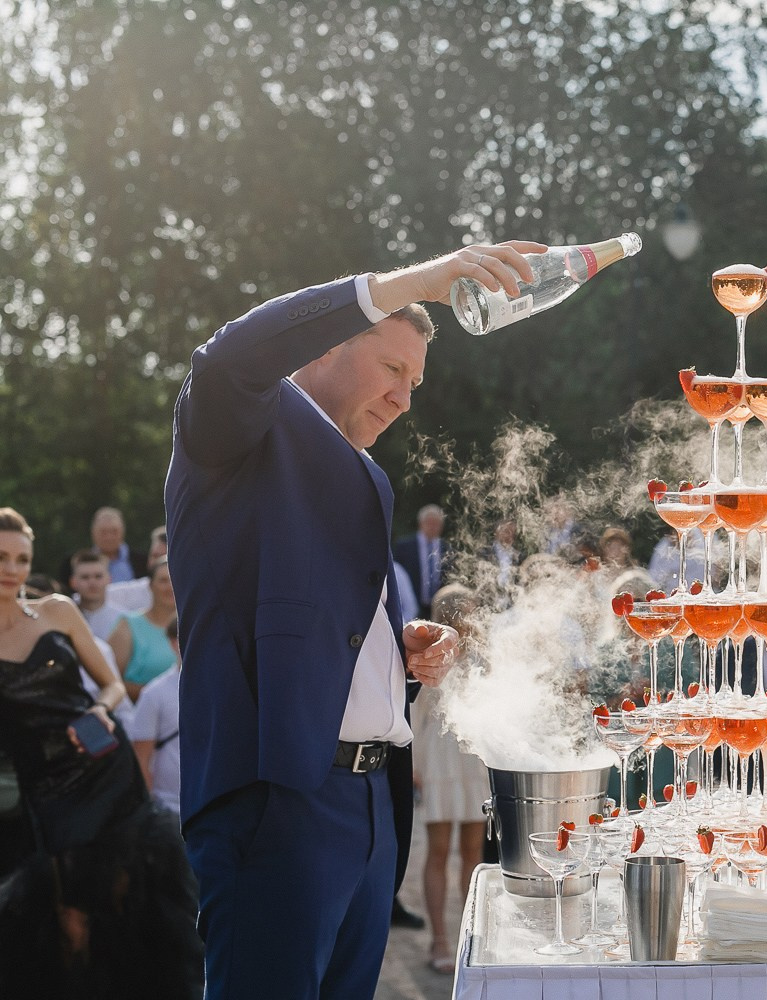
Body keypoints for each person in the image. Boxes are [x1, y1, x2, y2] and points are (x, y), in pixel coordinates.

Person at [165, 239, 540, 999]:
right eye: (394, 369)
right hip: (279, 803)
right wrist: (416, 281)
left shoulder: (364, 472)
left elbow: (311, 626)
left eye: (417, 382)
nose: (407, 398)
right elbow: (229, 357)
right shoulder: (236, 430)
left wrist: (396, 655)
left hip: (370, 811)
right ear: (324, 345)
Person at [0, 507, 202, 998]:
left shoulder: (57, 610)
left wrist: (99, 710)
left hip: (102, 766)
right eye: (2, 557)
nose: (13, 569)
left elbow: (111, 684)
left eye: (23, 558)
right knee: (67, 916)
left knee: (125, 894)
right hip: (43, 787)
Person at [413, 584, 490, 975]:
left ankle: (467, 938)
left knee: (473, 856)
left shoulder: (483, 660)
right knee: (441, 851)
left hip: (473, 760)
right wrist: (416, 766)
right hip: (440, 758)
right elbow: (416, 713)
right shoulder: (429, 654)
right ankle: (439, 940)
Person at [106, 557, 178, 702]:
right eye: (163, 581)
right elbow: (109, 680)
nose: (170, 586)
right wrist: (156, 695)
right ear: (150, 586)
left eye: (174, 579)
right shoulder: (128, 625)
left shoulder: (194, 625)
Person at [132, 617, 183, 816]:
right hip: (168, 808)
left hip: (217, 804)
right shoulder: (153, 693)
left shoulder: (225, 688)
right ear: (173, 643)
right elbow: (142, 757)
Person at [57, 506, 147, 585]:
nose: (109, 537)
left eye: (114, 531)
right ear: (93, 532)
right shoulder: (71, 564)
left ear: (123, 531)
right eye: (103, 532)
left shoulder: (143, 562)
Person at [394, 504, 448, 620]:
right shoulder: (404, 547)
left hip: (439, 609)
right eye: (429, 523)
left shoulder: (446, 549)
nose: (433, 527)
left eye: (436, 524)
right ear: (421, 523)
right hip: (411, 608)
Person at [69, 549, 126, 641]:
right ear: (73, 582)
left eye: (98, 576)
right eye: (85, 577)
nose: (92, 582)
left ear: (109, 579)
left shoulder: (123, 620)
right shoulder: (63, 614)